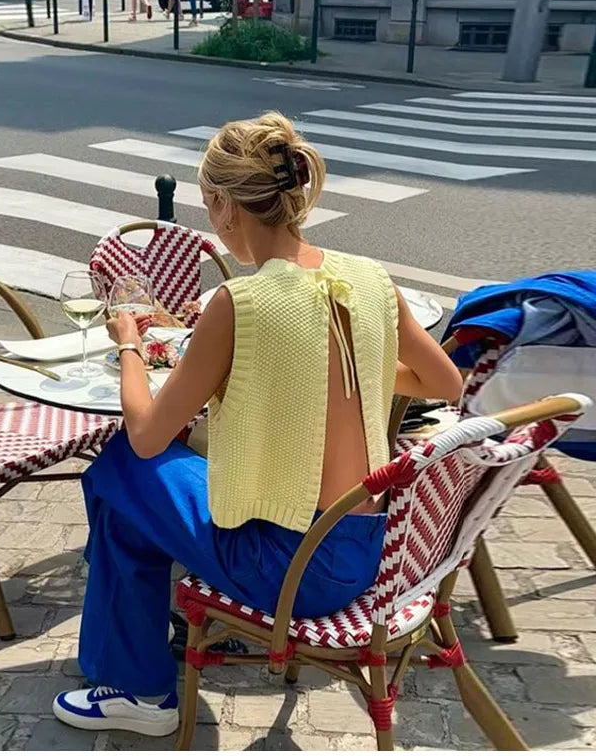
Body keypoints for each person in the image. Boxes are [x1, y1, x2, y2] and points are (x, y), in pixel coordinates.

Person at [52, 112, 463, 736]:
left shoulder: (238, 302)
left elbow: (146, 435)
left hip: (289, 572)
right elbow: (446, 384)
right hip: (369, 552)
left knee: (120, 466)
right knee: (131, 510)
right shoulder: (370, 277)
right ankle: (138, 651)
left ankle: (136, 689)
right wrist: (351, 374)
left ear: (222, 205)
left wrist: (129, 343)